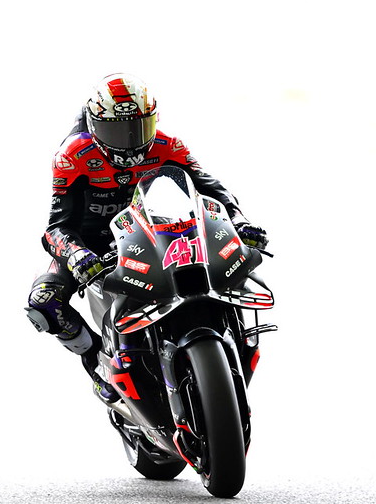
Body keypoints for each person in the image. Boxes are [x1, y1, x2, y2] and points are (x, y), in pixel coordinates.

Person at [25, 73, 268, 403]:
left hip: (149, 231)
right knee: (44, 302)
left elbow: (213, 189)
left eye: (139, 128)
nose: (129, 141)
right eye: (116, 131)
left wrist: (240, 221)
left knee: (227, 261)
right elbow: (56, 228)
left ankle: (233, 336)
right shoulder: (72, 156)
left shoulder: (168, 144)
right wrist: (77, 253)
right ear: (94, 127)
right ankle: (96, 362)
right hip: (91, 246)